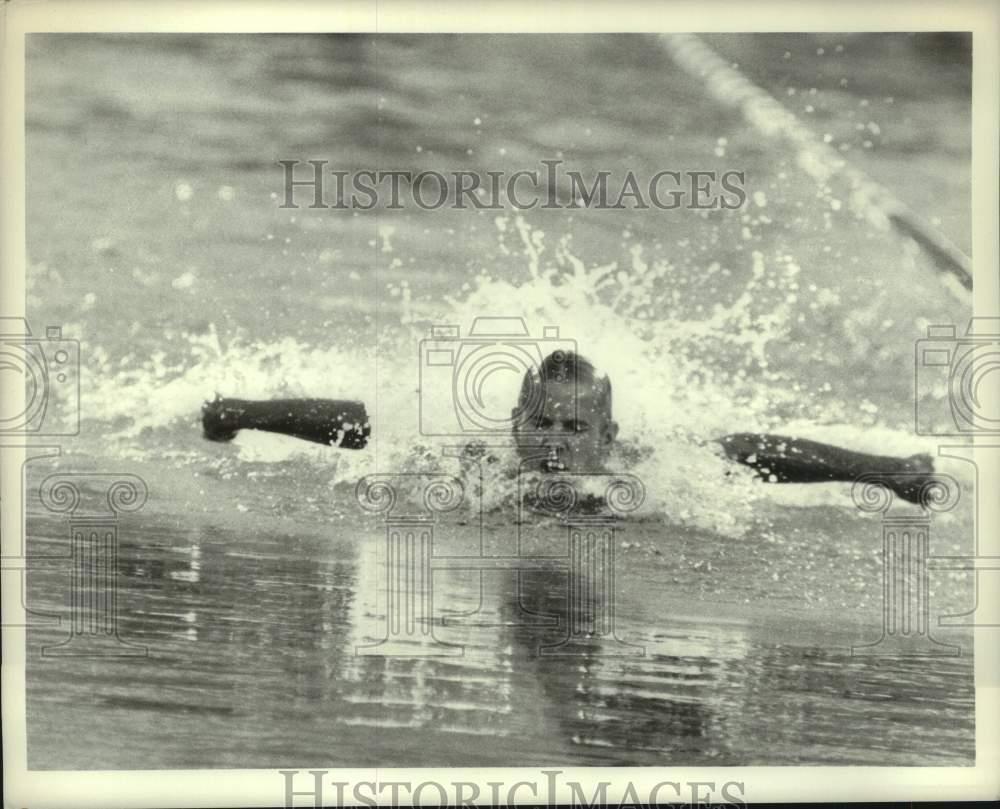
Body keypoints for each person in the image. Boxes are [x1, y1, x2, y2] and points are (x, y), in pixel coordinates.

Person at [201, 350, 936, 504]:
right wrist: (243, 415)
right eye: (541, 422)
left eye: (574, 427)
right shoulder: (475, 463)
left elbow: (754, 453)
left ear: (606, 435)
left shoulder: (647, 467)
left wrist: (883, 472)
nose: (556, 439)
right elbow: (363, 426)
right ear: (516, 422)